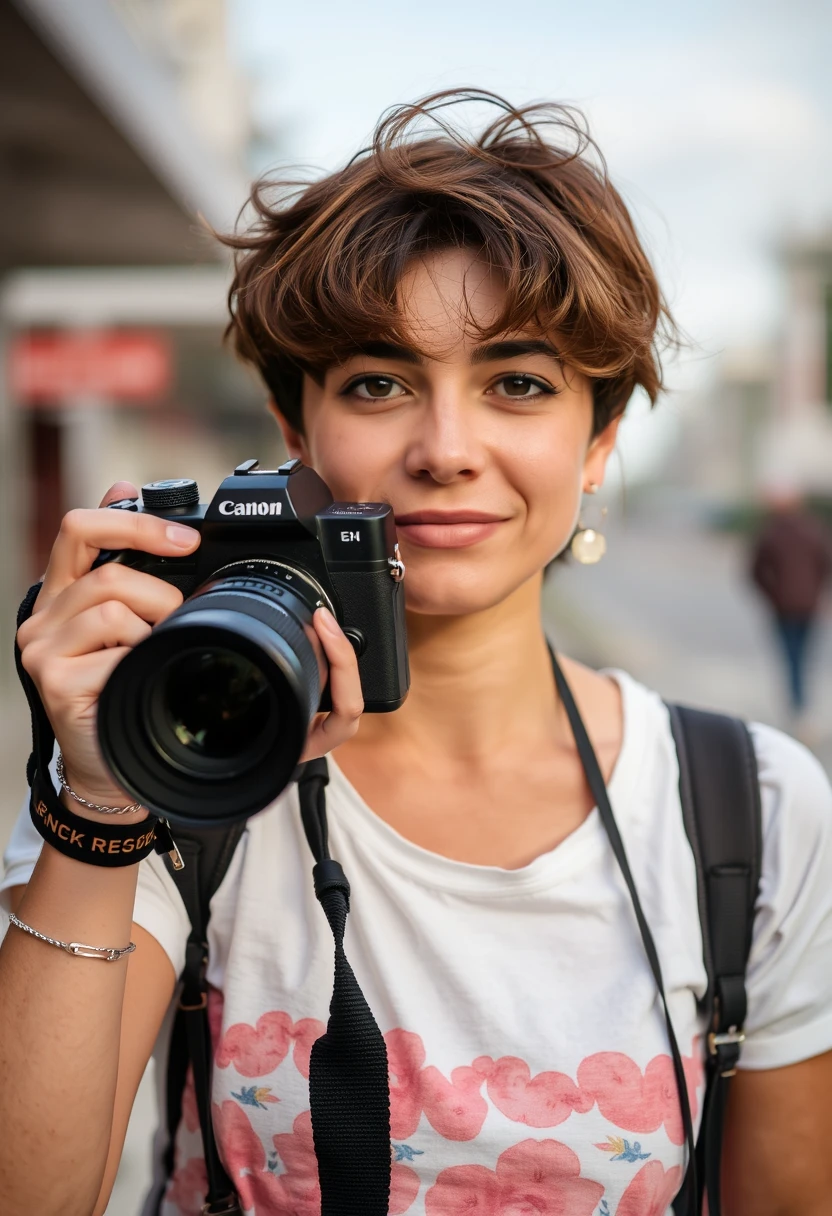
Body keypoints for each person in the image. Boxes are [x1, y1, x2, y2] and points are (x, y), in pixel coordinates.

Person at [2, 91, 832, 1216]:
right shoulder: (175, 758)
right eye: (379, 383)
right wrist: (96, 803)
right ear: (297, 432)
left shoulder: (754, 818)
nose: (445, 450)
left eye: (518, 384)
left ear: (598, 443)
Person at [750, 487, 832, 724]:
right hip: (807, 606)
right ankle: (801, 706)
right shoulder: (813, 529)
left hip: (784, 608)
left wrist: (772, 595)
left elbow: (754, 571)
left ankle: (798, 706)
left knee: (791, 657)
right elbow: (825, 565)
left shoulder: (770, 532)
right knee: (803, 657)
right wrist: (816, 594)